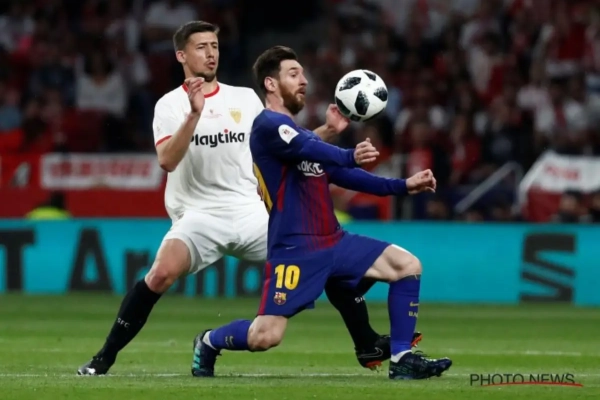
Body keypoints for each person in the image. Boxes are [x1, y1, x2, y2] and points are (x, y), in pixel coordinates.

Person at [77, 22, 421, 376]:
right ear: (181, 55)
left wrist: (327, 132)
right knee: (161, 274)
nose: (210, 53)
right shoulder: (170, 105)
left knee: (319, 248)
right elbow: (167, 160)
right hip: (199, 215)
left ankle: (365, 341)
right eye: (201, 47)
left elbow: (284, 146)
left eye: (214, 46)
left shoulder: (243, 99)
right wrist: (194, 114)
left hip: (251, 211)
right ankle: (104, 358)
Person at [191, 46, 453, 380]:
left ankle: (402, 358)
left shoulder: (299, 134)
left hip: (335, 240)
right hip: (296, 249)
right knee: (265, 336)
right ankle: (209, 340)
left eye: (303, 73)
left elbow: (344, 175)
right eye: (293, 74)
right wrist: (347, 153)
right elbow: (313, 149)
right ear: (270, 84)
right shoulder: (267, 125)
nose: (304, 80)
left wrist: (403, 185)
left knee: (407, 266)